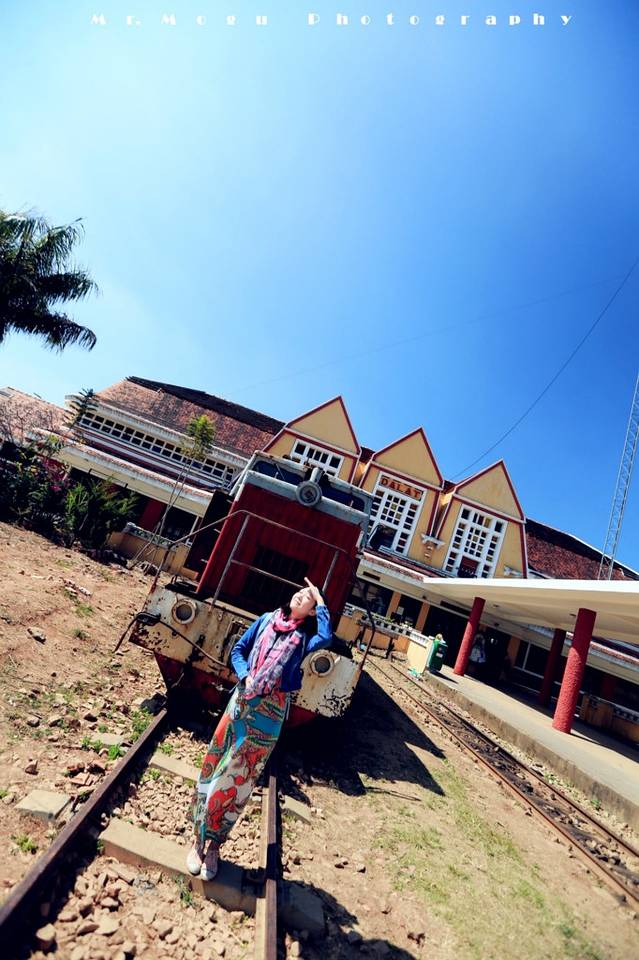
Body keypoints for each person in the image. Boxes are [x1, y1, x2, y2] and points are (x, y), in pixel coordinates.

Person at [186, 577, 331, 880]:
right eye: (300, 591)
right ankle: (198, 840)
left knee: (241, 779)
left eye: (307, 597)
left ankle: (215, 846)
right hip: (241, 703)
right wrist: (245, 675)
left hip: (270, 714)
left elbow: (327, 636)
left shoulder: (306, 639)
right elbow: (238, 650)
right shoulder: (266, 619)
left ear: (311, 611)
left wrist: (320, 600)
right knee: (215, 766)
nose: (300, 595)